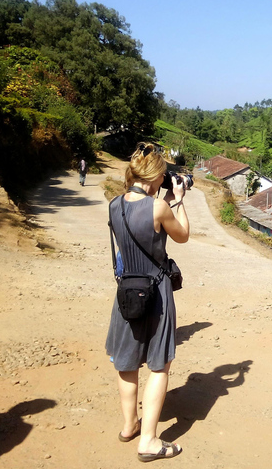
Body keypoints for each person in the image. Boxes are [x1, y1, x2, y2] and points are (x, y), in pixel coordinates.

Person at [105, 142, 190, 462]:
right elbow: (182, 235)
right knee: (159, 365)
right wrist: (178, 201)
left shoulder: (114, 204)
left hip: (126, 293)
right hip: (156, 293)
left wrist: (162, 200)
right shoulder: (159, 207)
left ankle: (129, 426)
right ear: (156, 177)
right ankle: (150, 440)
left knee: (126, 362)